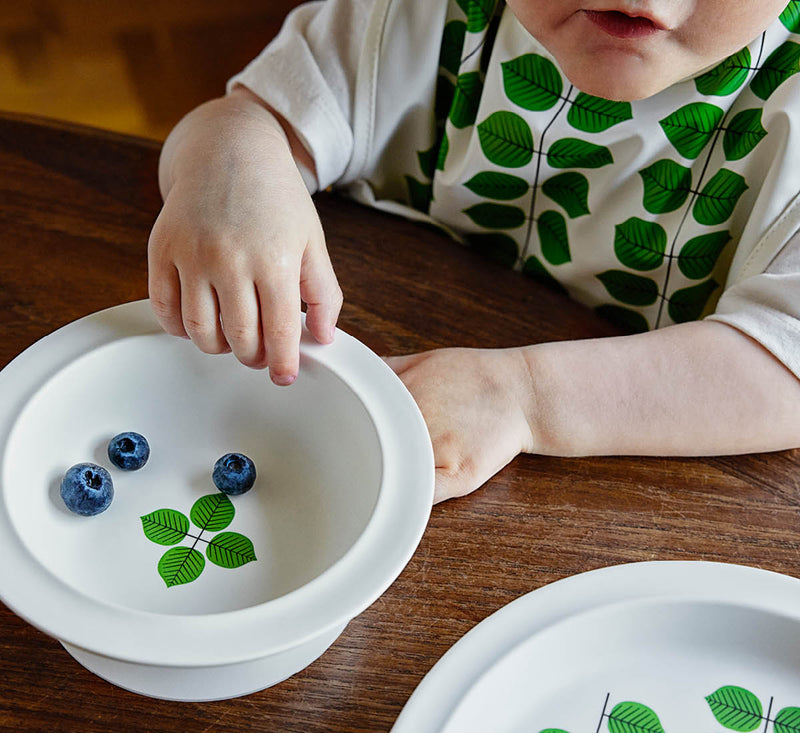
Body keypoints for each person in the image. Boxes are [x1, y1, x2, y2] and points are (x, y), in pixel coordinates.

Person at [148, 0, 800, 503]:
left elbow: (787, 362)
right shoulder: (416, 19)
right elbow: (256, 119)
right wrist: (233, 155)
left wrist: (525, 397)